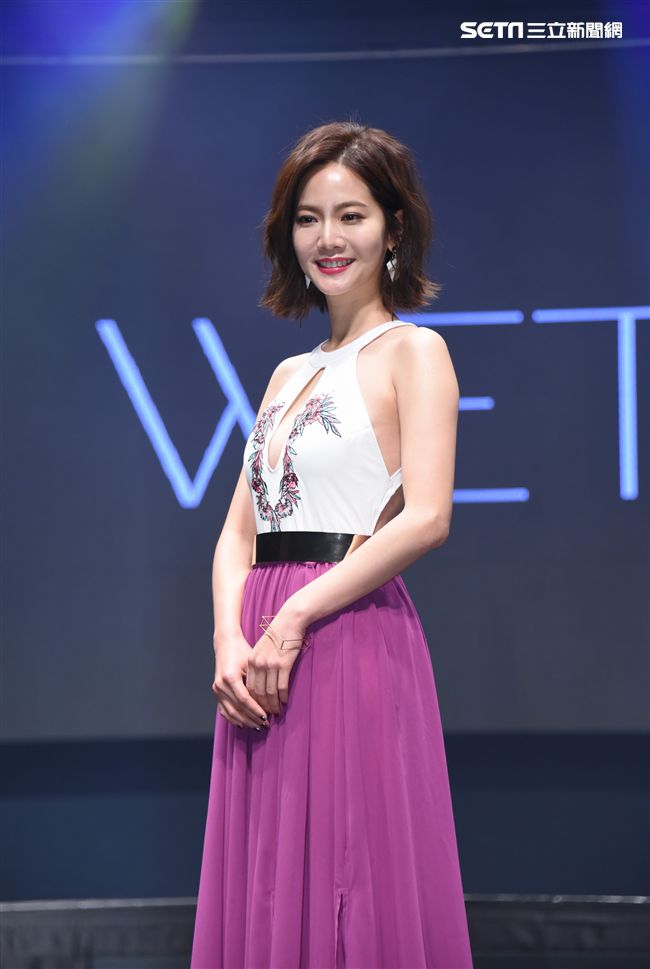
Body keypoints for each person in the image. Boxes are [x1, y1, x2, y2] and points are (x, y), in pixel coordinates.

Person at [190, 120, 474, 969]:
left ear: (393, 226)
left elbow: (427, 516)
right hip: (260, 651)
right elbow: (238, 530)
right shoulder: (288, 372)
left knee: (354, 873)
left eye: (351, 215)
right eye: (308, 219)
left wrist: (294, 618)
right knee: (268, 878)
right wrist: (230, 637)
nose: (328, 238)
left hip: (343, 632)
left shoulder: (415, 352)